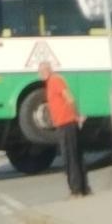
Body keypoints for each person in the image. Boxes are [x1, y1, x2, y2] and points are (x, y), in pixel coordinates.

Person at [39, 60, 88, 198]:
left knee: (70, 158)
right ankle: (82, 189)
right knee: (74, 155)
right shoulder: (50, 83)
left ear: (49, 70)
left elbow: (70, 98)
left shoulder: (55, 81)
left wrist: (76, 115)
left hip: (66, 123)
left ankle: (76, 190)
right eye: (40, 71)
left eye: (42, 71)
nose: (40, 74)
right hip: (63, 123)